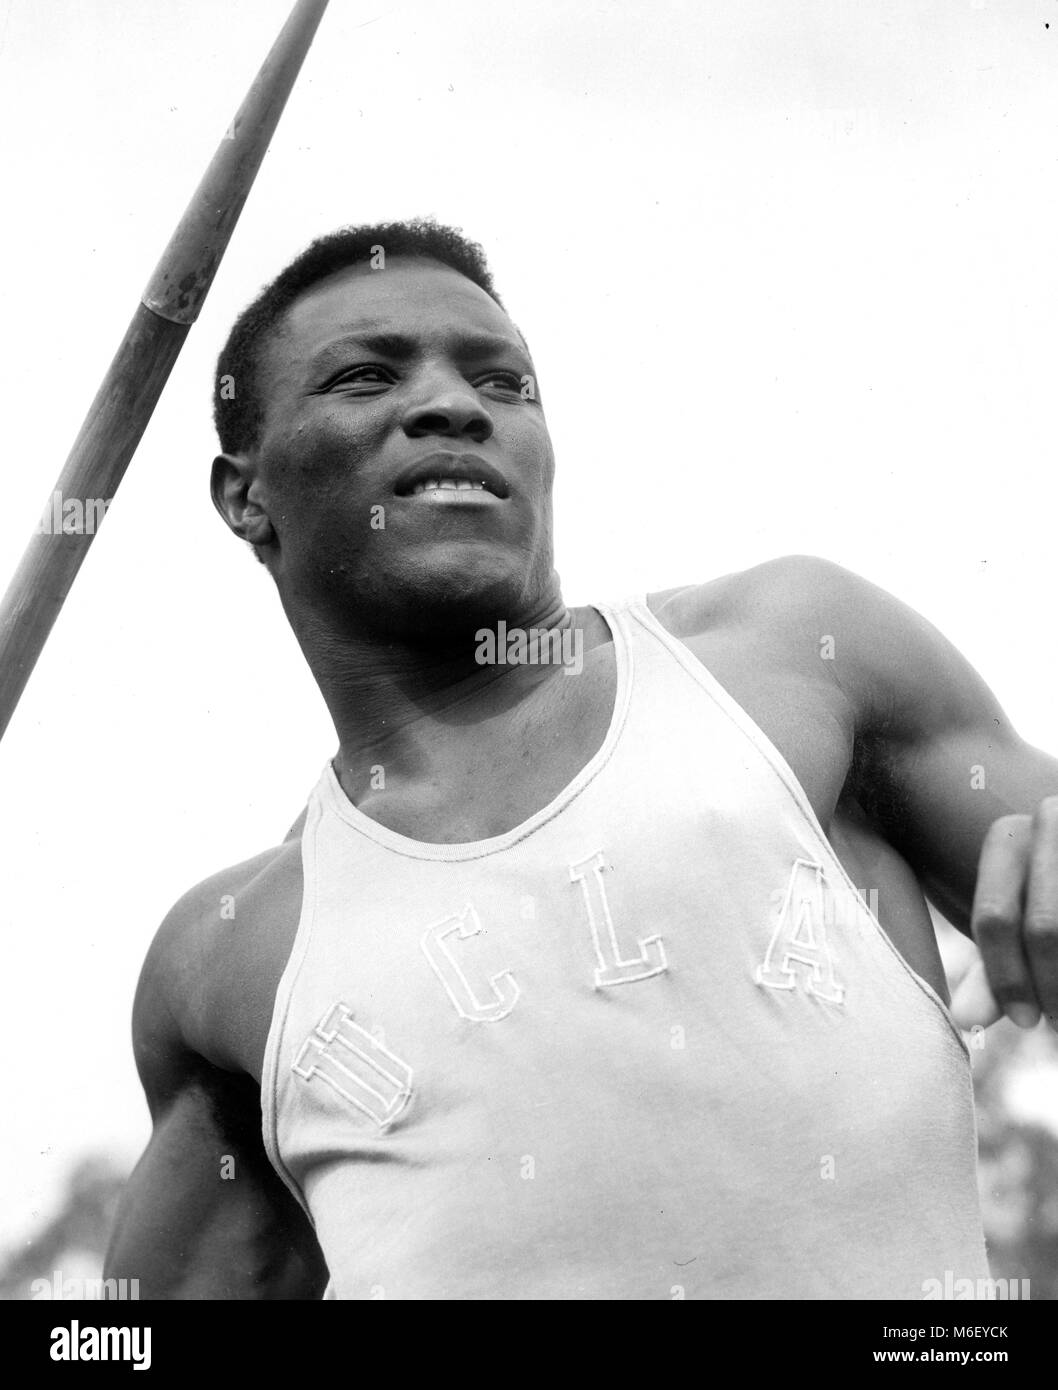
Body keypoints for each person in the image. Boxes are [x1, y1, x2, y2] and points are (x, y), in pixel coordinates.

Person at [104, 219, 1058, 1300]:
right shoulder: (229, 962)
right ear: (245, 498)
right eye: (367, 376)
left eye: (503, 382)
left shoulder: (789, 664)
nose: (455, 405)